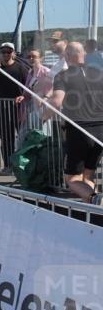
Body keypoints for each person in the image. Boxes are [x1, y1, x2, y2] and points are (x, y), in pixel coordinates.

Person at [45, 42, 103, 204]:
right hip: (100, 129)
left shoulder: (63, 75)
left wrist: (44, 115)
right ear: (83, 54)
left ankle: (95, 199)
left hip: (79, 129)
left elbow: (57, 102)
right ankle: (93, 209)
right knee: (88, 174)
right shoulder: (99, 73)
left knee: (72, 179)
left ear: (67, 56)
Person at [0, 42, 28, 169]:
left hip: (18, 107)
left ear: (13, 53)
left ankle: (22, 166)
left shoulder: (20, 68)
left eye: (9, 52)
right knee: (6, 138)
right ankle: (8, 165)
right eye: (3, 52)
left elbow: (28, 86)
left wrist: (24, 97)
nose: (6, 54)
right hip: (3, 107)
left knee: (22, 136)